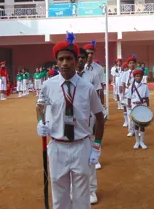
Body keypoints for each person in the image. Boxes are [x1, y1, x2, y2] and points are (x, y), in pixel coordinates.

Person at [36, 32, 105, 209]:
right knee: (59, 196)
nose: (65, 63)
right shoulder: (48, 85)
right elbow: (40, 106)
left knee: (82, 197)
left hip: (81, 146)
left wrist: (96, 146)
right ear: (56, 62)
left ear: (76, 61)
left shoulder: (87, 87)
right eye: (61, 59)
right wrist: (40, 122)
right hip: (57, 146)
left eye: (69, 58)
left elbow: (99, 116)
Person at [76, 47, 102, 204]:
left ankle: (91, 190)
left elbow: (99, 94)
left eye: (82, 57)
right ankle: (76, 189)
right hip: (72, 121)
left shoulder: (92, 76)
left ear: (86, 60)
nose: (79, 60)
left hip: (89, 117)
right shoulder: (65, 77)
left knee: (89, 153)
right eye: (77, 57)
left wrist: (102, 109)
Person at [127, 68, 150, 149]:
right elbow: (129, 98)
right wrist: (129, 106)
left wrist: (148, 107)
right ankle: (137, 141)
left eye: (140, 76)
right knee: (136, 124)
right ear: (134, 77)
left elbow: (147, 98)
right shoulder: (131, 87)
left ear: (142, 77)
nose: (138, 77)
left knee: (142, 124)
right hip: (134, 106)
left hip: (143, 106)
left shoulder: (145, 86)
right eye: (136, 76)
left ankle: (142, 141)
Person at [121, 55, 137, 137]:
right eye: (130, 63)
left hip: (135, 93)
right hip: (128, 92)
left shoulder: (137, 73)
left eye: (133, 63)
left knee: (136, 111)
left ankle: (137, 130)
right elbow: (123, 84)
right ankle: (131, 130)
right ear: (128, 64)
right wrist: (123, 94)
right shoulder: (125, 73)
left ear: (135, 64)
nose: (132, 64)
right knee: (129, 111)